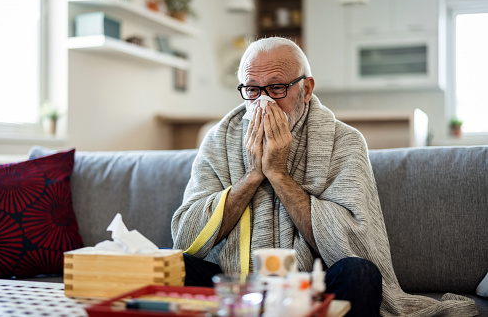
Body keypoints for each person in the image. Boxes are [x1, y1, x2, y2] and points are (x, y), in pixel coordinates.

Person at [171, 37, 478, 317]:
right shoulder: (219, 140)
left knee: (359, 272)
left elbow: (355, 242)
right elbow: (186, 236)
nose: (263, 103)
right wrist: (253, 175)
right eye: (252, 89)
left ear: (306, 89)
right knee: (174, 267)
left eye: (276, 88)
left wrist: (278, 173)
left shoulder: (345, 141)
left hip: (315, 285)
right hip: (237, 283)